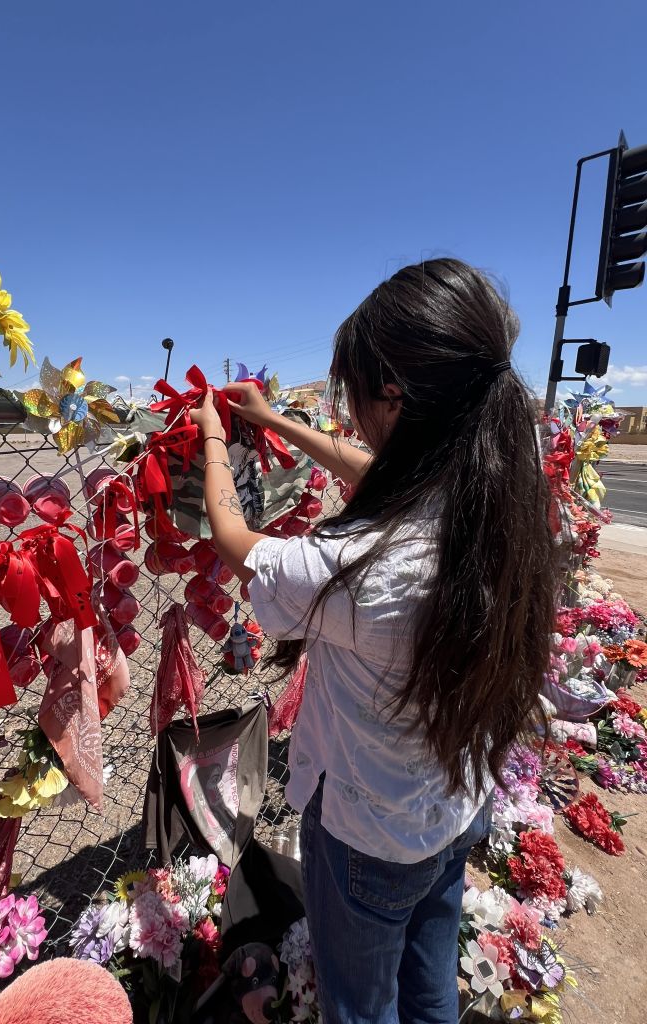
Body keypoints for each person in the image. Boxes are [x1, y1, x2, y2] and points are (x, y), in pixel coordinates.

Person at [189, 258, 555, 1024]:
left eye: (349, 391)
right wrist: (276, 421)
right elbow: (377, 468)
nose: (347, 410)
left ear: (392, 396)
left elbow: (233, 538)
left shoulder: (362, 567)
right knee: (430, 985)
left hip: (369, 841)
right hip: (454, 807)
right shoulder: (494, 495)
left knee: (360, 1006)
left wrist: (216, 437)